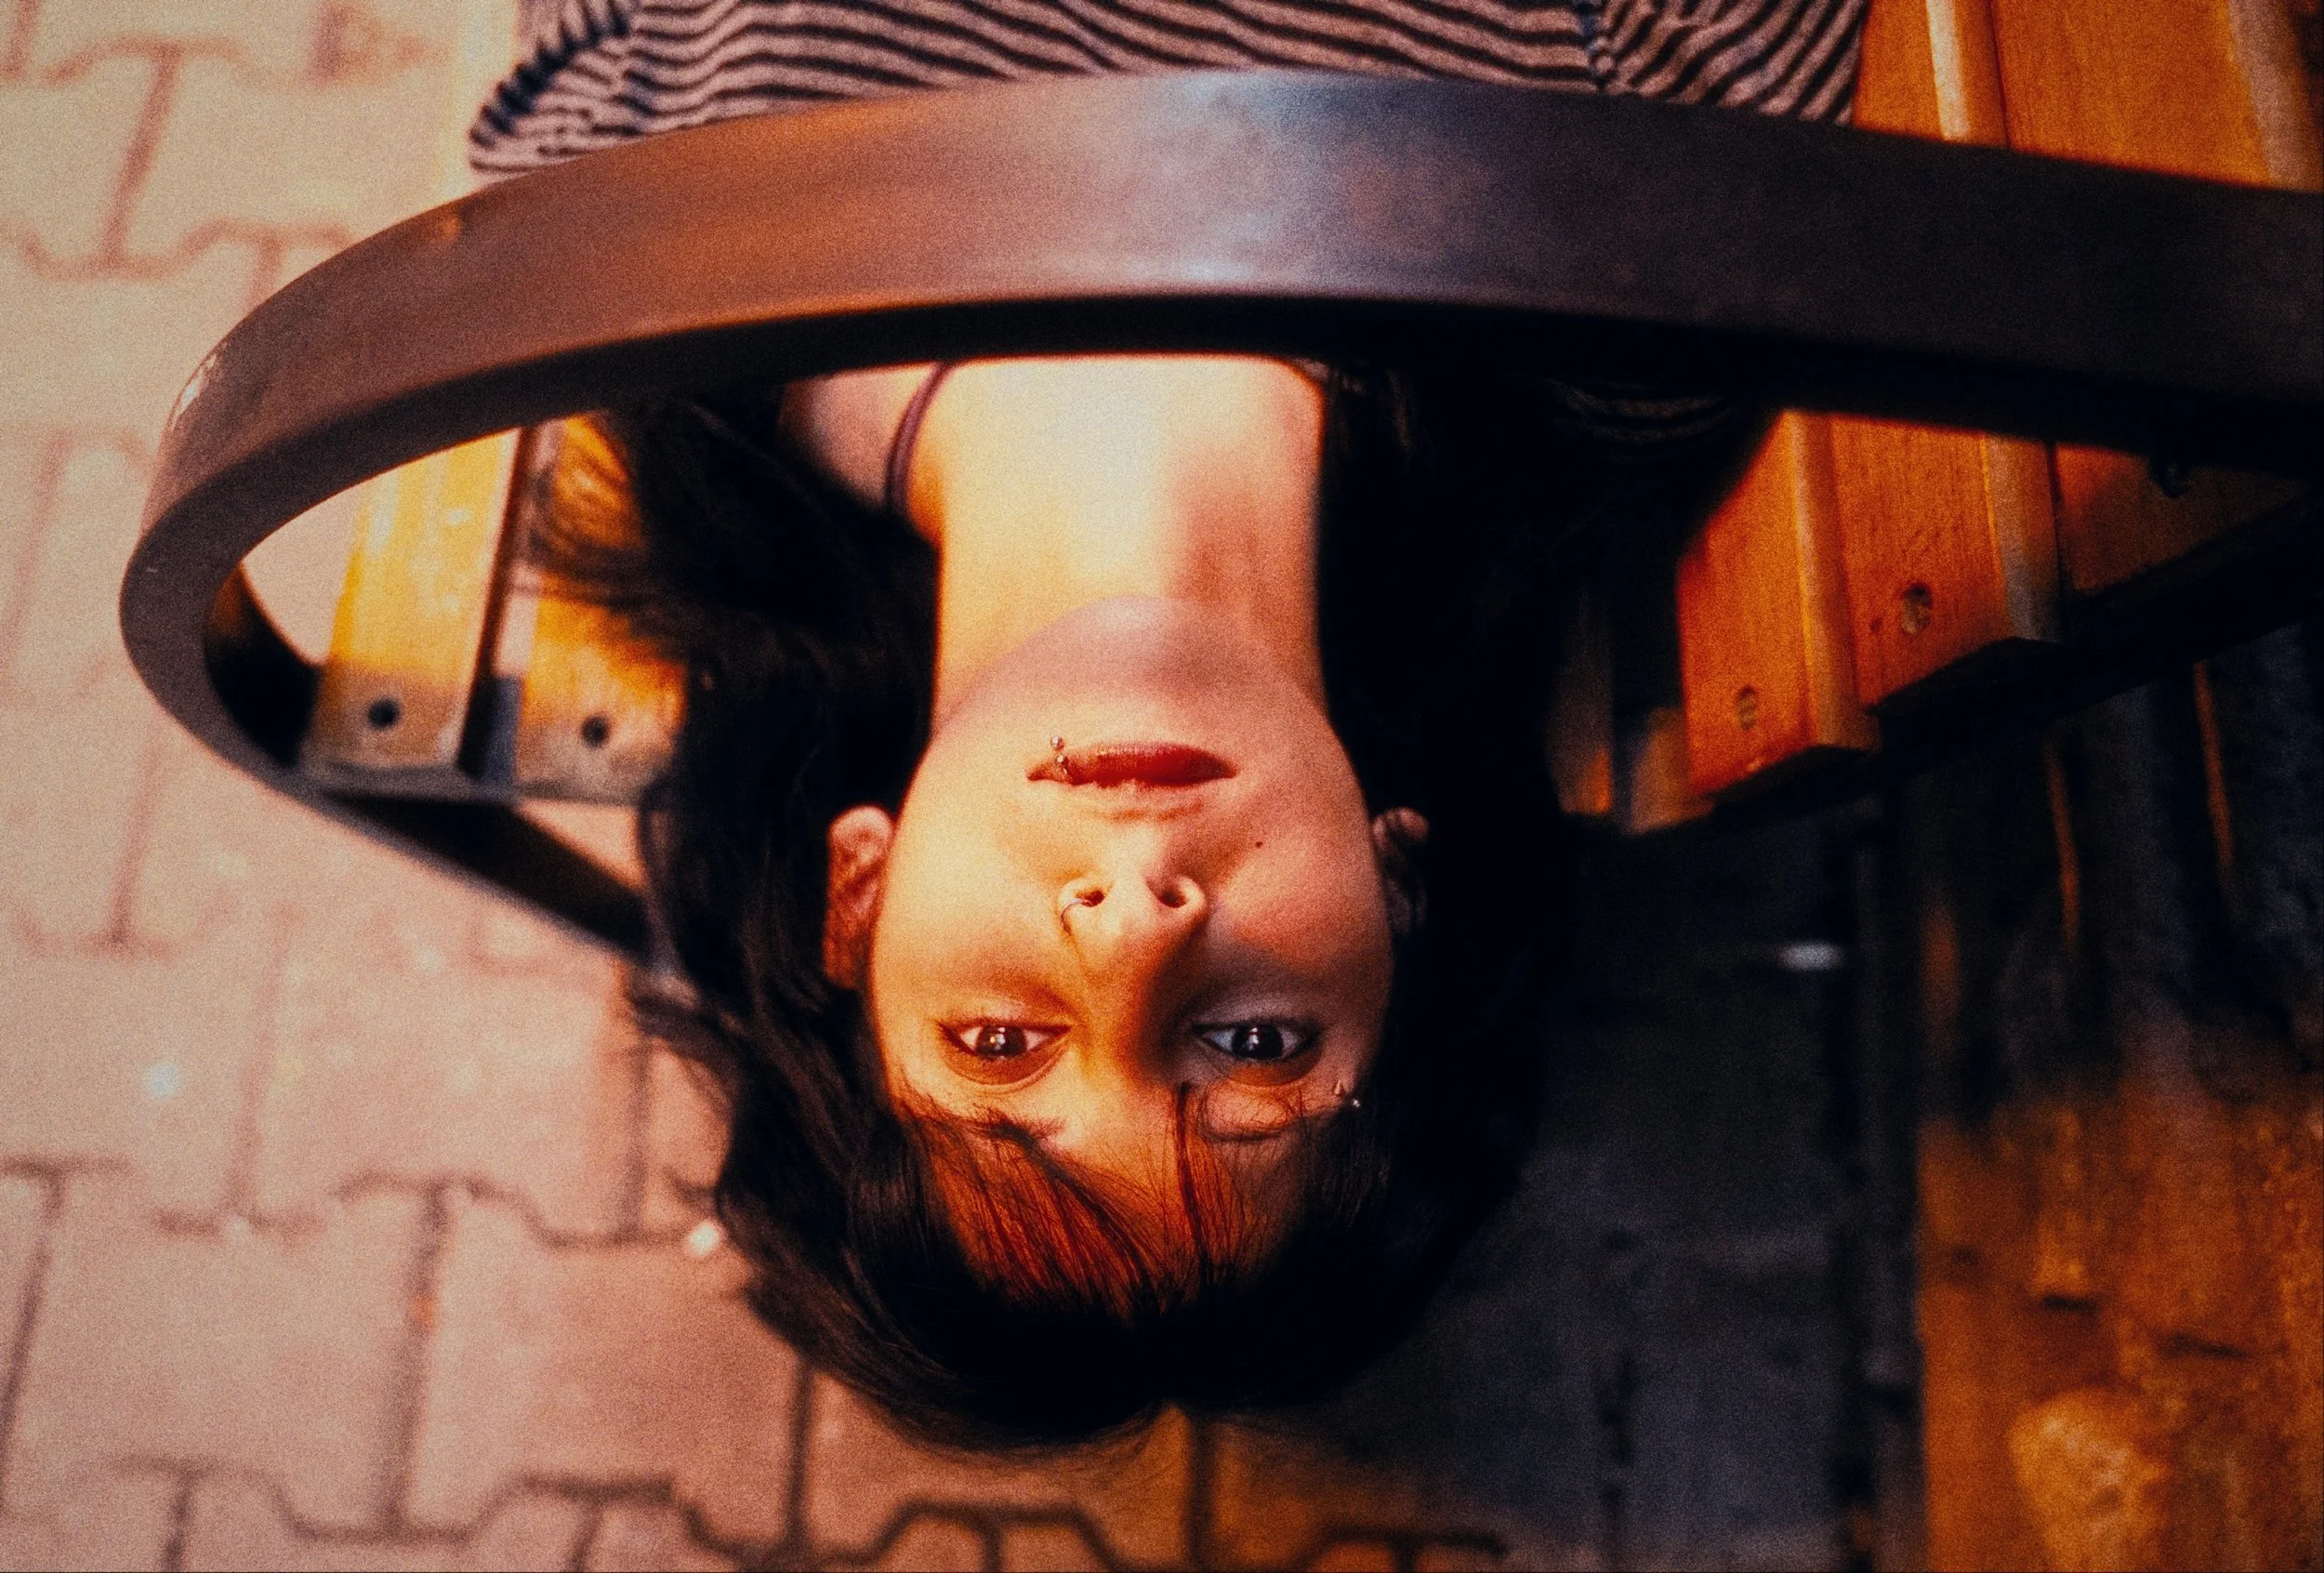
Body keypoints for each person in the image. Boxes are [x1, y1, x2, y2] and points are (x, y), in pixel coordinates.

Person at [476, 0, 1868, 1447]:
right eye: (1257, 1040)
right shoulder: (1626, 297)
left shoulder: (632, 260)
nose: (1135, 928)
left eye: (999, 1042)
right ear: (1401, 889)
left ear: (858, 893)